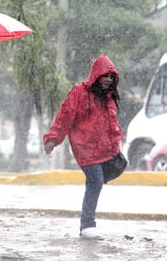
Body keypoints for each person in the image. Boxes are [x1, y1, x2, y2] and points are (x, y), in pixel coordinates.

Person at [43, 54, 123, 240]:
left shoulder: (108, 97)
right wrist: (53, 138)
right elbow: (64, 117)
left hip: (103, 150)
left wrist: (115, 146)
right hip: (85, 149)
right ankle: (88, 224)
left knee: (95, 182)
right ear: (96, 75)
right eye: (105, 76)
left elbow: (111, 124)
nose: (108, 80)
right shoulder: (79, 93)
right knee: (96, 181)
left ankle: (86, 224)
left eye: (111, 77)